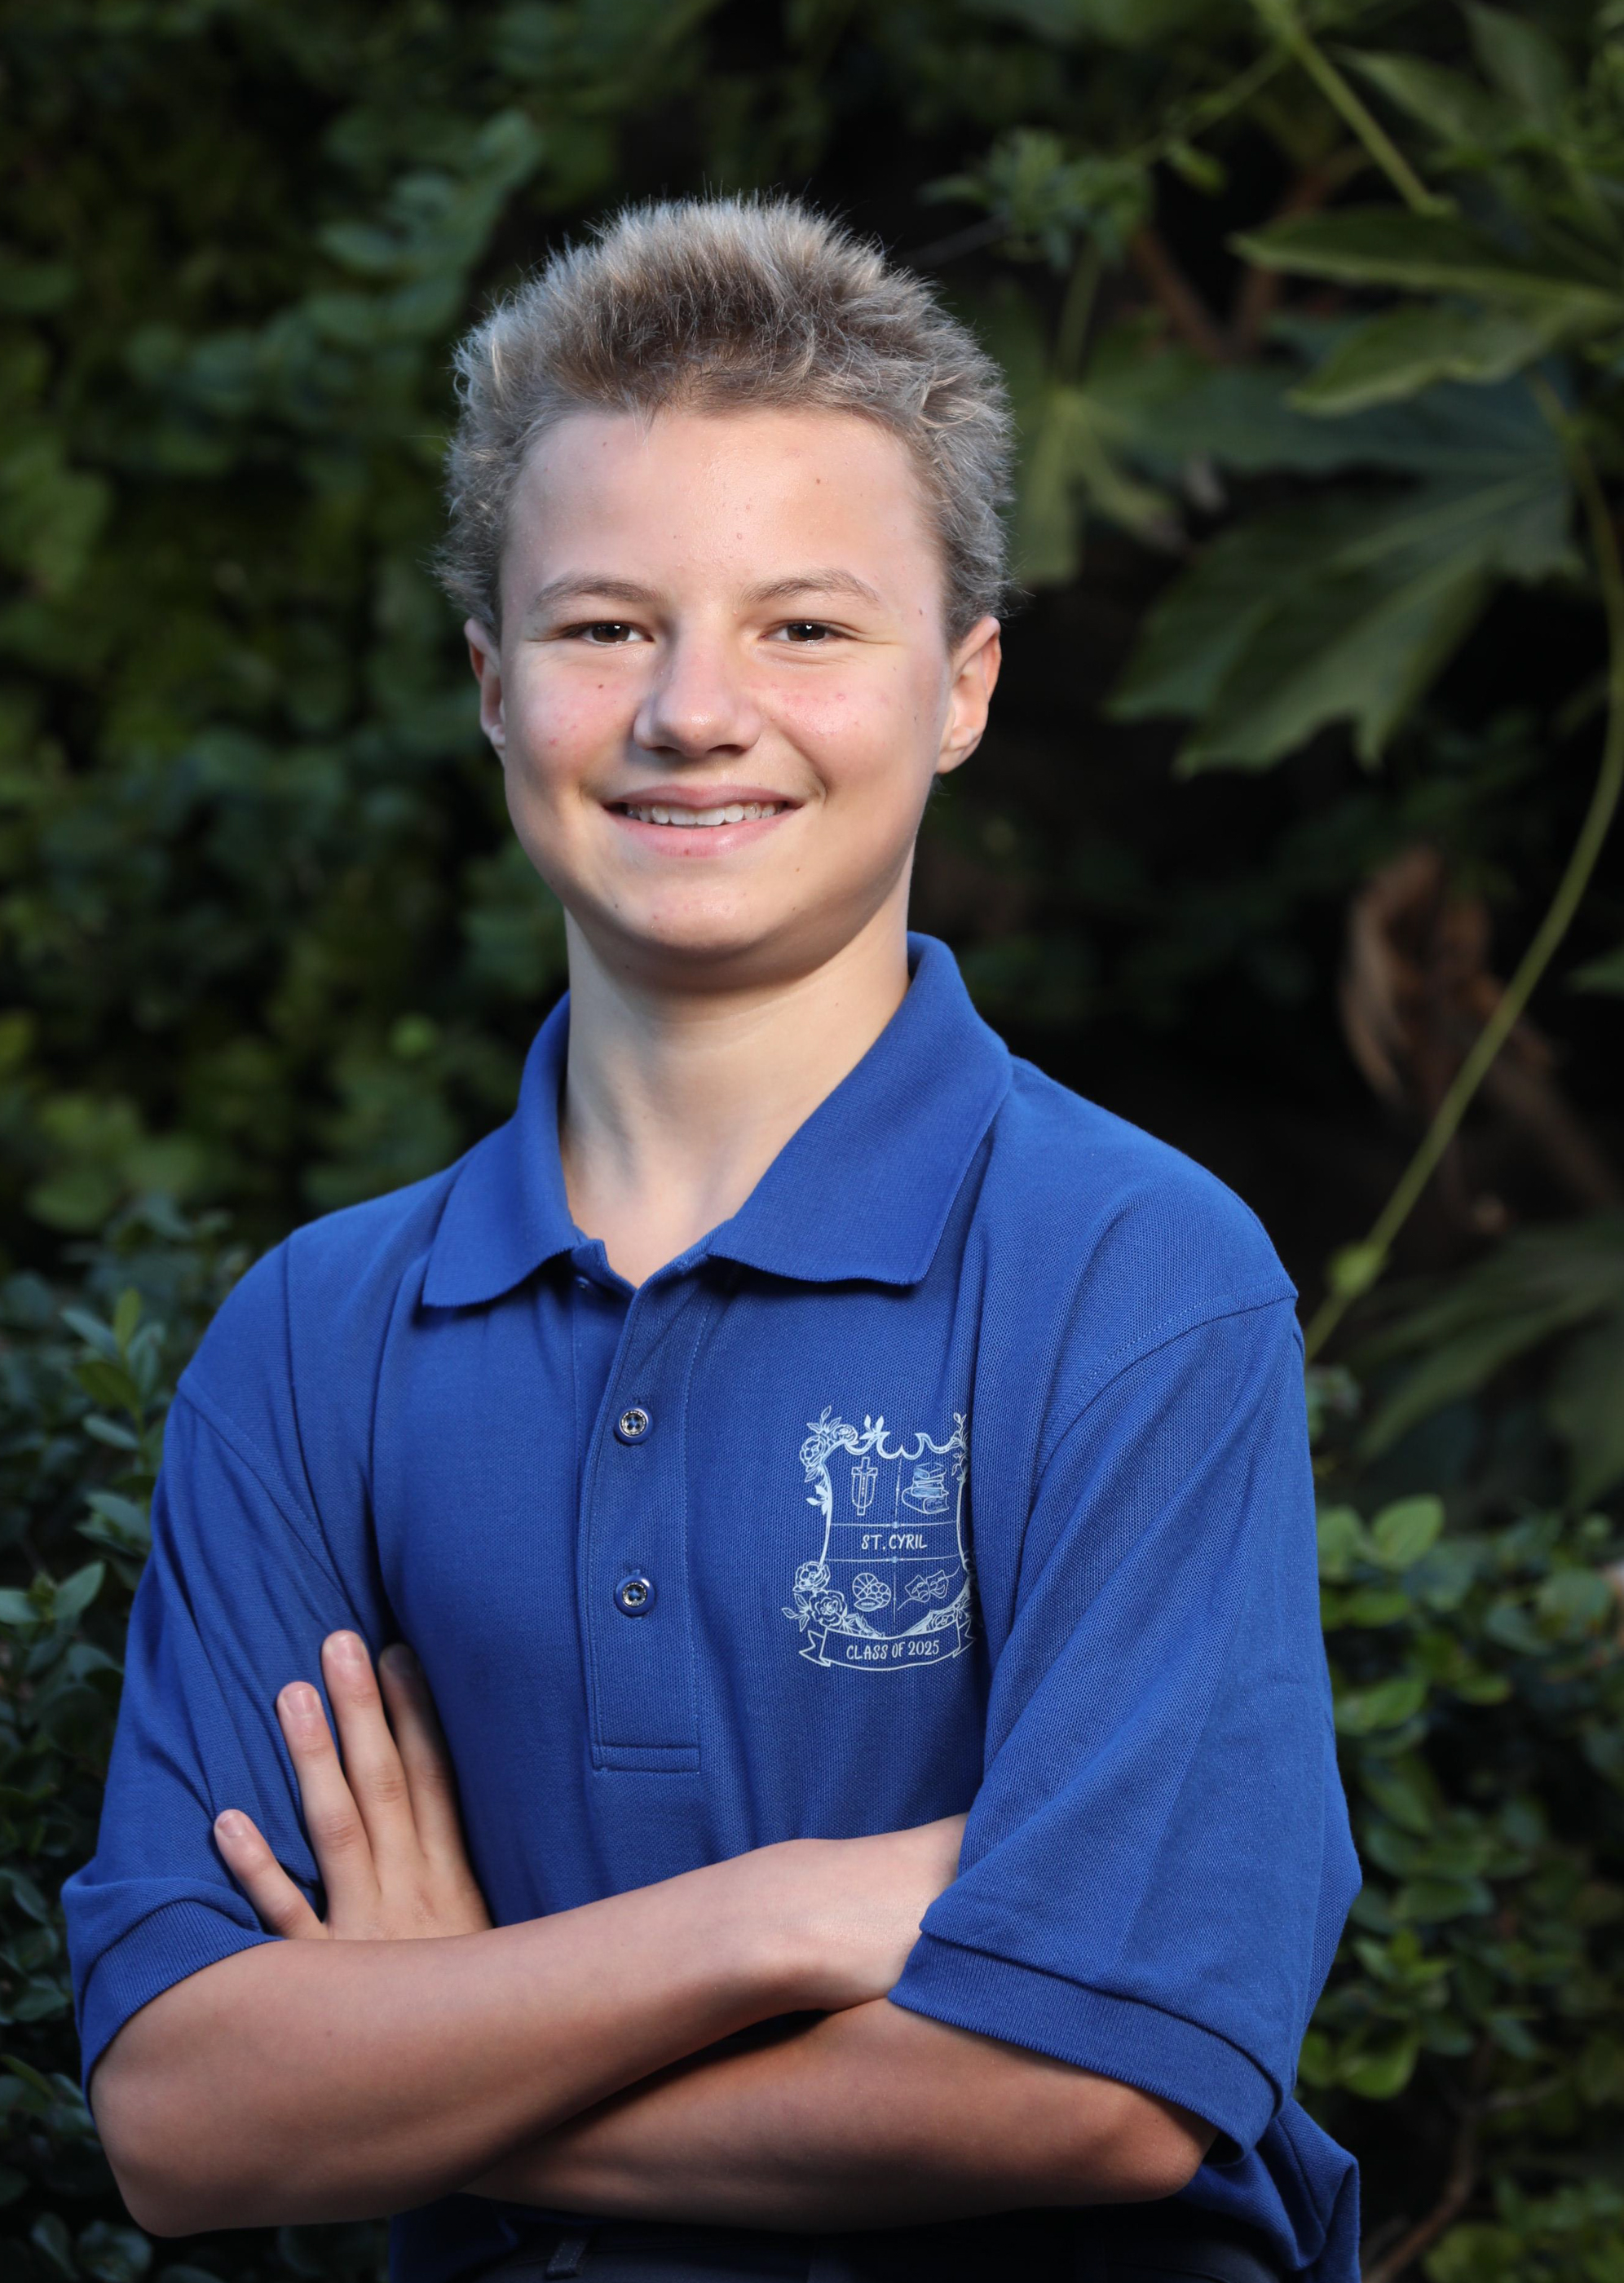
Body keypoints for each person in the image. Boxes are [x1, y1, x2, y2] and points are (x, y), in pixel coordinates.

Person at [66, 198, 1361, 2283]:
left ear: (962, 684)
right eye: (603, 626)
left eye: (804, 628)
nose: (691, 708)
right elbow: (185, 2111)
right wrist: (771, 1920)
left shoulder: (1133, 1276)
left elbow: (1106, 2088)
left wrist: (437, 2047)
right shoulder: (318, 1335)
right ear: (492, 686)